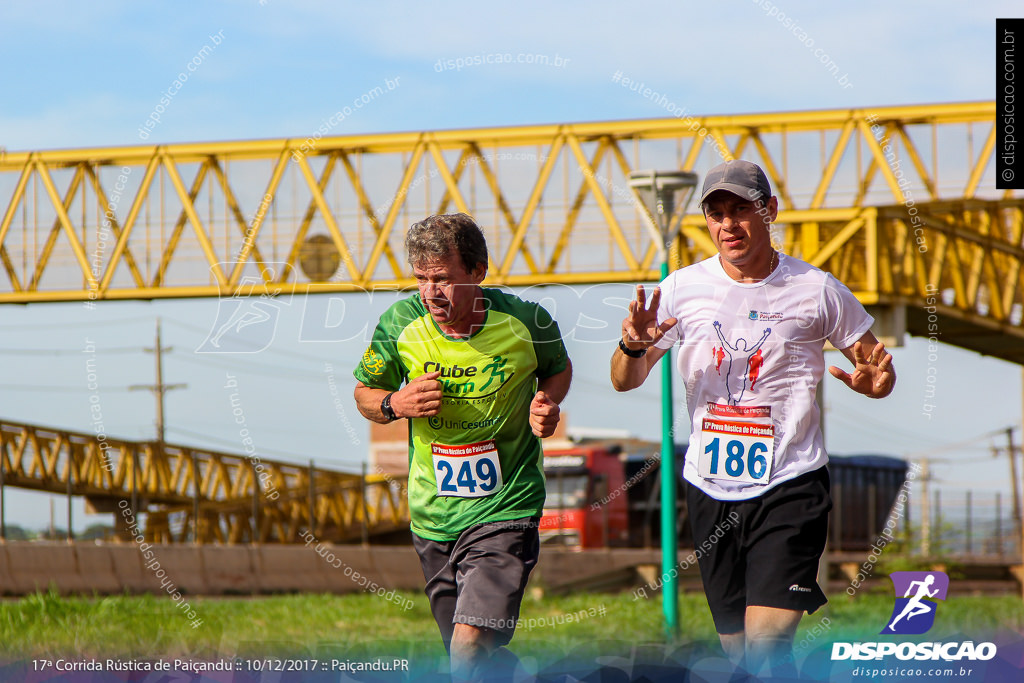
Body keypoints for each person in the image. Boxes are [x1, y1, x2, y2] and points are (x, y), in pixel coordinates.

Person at [610, 160, 895, 677]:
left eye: (741, 210)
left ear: (770, 212)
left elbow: (875, 366)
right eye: (716, 214)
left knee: (766, 644)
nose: (728, 225)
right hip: (709, 484)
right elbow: (625, 379)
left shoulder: (817, 289)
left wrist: (878, 384)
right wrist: (632, 344)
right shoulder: (680, 289)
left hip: (791, 481)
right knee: (739, 653)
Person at [353, 212, 572, 680]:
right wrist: (395, 402)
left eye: (444, 279)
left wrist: (547, 402)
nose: (431, 292)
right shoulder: (400, 324)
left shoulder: (525, 321)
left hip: (505, 507)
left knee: (467, 648)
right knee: (471, 655)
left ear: (478, 272)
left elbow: (558, 366)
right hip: (433, 514)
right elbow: (363, 394)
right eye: (422, 279)